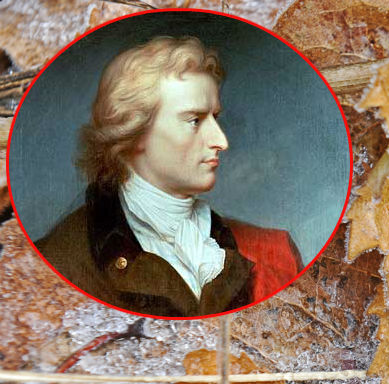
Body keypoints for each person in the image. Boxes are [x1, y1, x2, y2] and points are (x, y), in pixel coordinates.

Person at [36, 36, 302, 317]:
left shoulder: (274, 253)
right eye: (194, 121)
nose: (221, 141)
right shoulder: (58, 262)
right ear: (134, 133)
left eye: (215, 118)